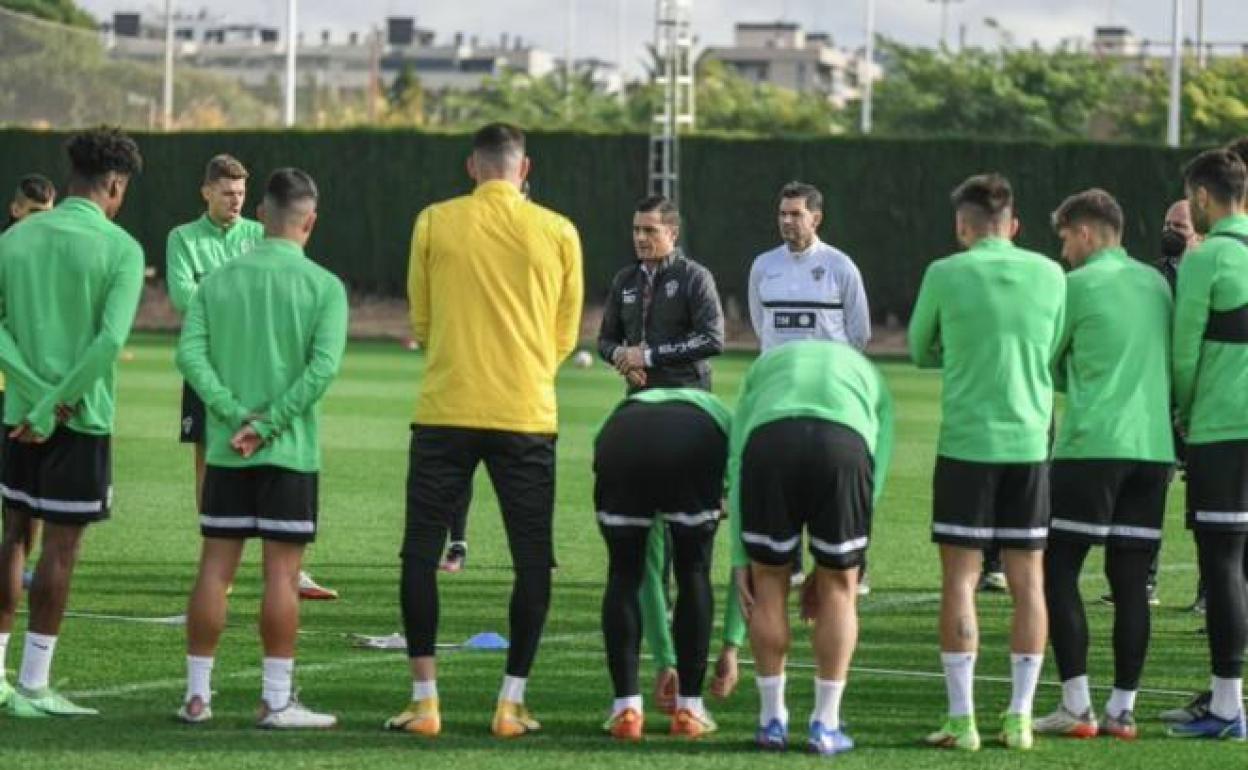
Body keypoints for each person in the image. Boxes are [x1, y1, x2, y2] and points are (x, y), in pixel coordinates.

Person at [387, 123, 583, 739]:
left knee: (420, 554)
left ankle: (425, 702)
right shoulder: (557, 230)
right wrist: (524, 367)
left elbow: (420, 316)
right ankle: (510, 703)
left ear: (473, 166)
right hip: (526, 412)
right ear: (524, 170)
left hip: (446, 405)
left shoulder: (433, 221)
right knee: (531, 561)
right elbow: (566, 332)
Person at [175, 168, 347, 729]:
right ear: (312, 221)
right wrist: (270, 423)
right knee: (280, 576)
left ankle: (196, 697)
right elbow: (322, 369)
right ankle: (276, 701)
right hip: (289, 451)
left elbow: (190, 358)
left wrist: (232, 416)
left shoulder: (218, 282)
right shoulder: (324, 286)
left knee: (214, 570)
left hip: (229, 449)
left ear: (260, 216)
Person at [909, 173, 1066, 751]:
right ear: (1015, 225)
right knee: (1029, 581)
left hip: (967, 444)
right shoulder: (1051, 273)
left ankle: (963, 721)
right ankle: (1020, 718)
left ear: (962, 226)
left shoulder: (946, 273)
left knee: (962, 579)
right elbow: (1054, 346)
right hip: (1029, 442)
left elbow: (921, 348)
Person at [0, 127, 144, 717]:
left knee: (12, 538)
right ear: (113, 184)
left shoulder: (15, 238)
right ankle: (34, 684)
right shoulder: (123, 248)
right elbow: (109, 341)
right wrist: (57, 403)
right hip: (79, 420)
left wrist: (33, 399)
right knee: (61, 548)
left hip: (16, 418)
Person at [1031, 189, 1174, 741]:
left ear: (1086, 233)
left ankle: (1076, 705)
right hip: (1152, 448)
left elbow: (1050, 362)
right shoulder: (1157, 283)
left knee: (1058, 570)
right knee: (1132, 581)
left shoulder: (1074, 286)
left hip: (1093, 446)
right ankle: (1123, 709)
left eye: (1065, 237)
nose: (1064, 249)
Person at [167, 155, 338, 602]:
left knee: (261, 459)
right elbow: (182, 294)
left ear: (256, 204)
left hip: (249, 358)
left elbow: (275, 289)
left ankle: (283, 565)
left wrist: (224, 302)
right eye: (226, 192)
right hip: (215, 363)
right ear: (206, 192)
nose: (234, 201)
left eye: (242, 194)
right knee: (209, 458)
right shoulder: (183, 238)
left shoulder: (257, 234)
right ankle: (221, 546)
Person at [732, 340, 893, 755]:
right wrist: (835, 567)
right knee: (841, 591)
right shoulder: (867, 370)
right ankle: (825, 723)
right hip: (844, 445)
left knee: (768, 584)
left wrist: (739, 557)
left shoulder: (764, 364)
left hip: (770, 444)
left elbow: (736, 456)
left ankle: (771, 721)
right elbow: (876, 467)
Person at [747, 181, 873, 593]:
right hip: (778, 393)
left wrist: (831, 373)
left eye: (795, 214)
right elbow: (759, 324)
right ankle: (790, 565)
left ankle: (854, 563)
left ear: (815, 218)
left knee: (839, 479)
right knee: (780, 477)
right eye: (782, 213)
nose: (787, 221)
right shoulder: (763, 265)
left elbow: (860, 332)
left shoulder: (840, 266)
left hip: (829, 396)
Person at [1164, 148, 1248, 740]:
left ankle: (1225, 705)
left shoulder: (1207, 257)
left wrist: (1184, 414)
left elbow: (1184, 354)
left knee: (1223, 565)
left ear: (1200, 196)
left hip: (1224, 430)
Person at [595, 387, 730, 740]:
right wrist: (732, 644)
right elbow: (746, 560)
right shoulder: (725, 421)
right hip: (695, 447)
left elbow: (650, 574)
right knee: (694, 571)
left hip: (618, 441)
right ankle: (690, 709)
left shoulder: (624, 408)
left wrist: (663, 661)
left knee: (623, 573)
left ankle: (626, 708)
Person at [597, 195, 724, 392]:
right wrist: (622, 357)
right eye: (636, 230)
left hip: (687, 393)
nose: (640, 237)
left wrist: (648, 357)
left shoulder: (695, 277)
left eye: (649, 230)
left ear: (672, 233)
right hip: (640, 393)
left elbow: (711, 339)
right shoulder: (624, 279)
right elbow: (605, 340)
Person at [1, 173, 56, 591]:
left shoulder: (51, 265)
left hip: (25, 395)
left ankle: (18, 567)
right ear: (15, 209)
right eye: (34, 212)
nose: (40, 221)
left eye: (47, 214)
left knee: (23, 497)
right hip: (13, 388)